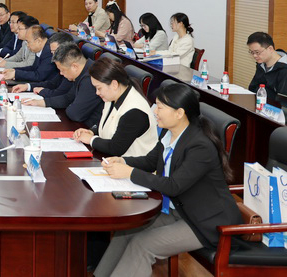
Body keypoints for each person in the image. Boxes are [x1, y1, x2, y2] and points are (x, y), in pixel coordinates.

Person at [95, 83, 241, 277]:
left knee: (143, 245)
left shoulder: (200, 146)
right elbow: (150, 161)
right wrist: (123, 161)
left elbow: (174, 186)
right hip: (178, 210)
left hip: (205, 222)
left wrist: (129, 172)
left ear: (179, 113)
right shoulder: (169, 132)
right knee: (126, 232)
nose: (155, 111)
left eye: (160, 107)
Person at [73, 57, 158, 157]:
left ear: (114, 84)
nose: (97, 93)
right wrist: (91, 131)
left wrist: (91, 139)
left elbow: (116, 148)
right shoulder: (113, 96)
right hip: (111, 160)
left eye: (99, 88)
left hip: (132, 164)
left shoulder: (135, 111)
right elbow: (107, 122)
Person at [20, 43, 103, 128]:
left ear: (74, 66)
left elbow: (75, 114)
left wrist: (70, 105)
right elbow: (68, 98)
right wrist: (39, 102)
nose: (61, 73)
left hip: (91, 129)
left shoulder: (91, 78)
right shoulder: (82, 73)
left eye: (62, 70)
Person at [12, 31, 76, 98]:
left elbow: (60, 93)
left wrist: (42, 92)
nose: (53, 56)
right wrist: (28, 86)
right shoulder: (62, 66)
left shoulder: (70, 69)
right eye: (52, 52)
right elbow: (52, 84)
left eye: (55, 52)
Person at [247, 31, 287, 99]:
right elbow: (252, 89)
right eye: (252, 52)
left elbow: (283, 100)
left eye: (257, 52)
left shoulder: (284, 69)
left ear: (270, 49)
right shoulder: (261, 65)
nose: (254, 56)